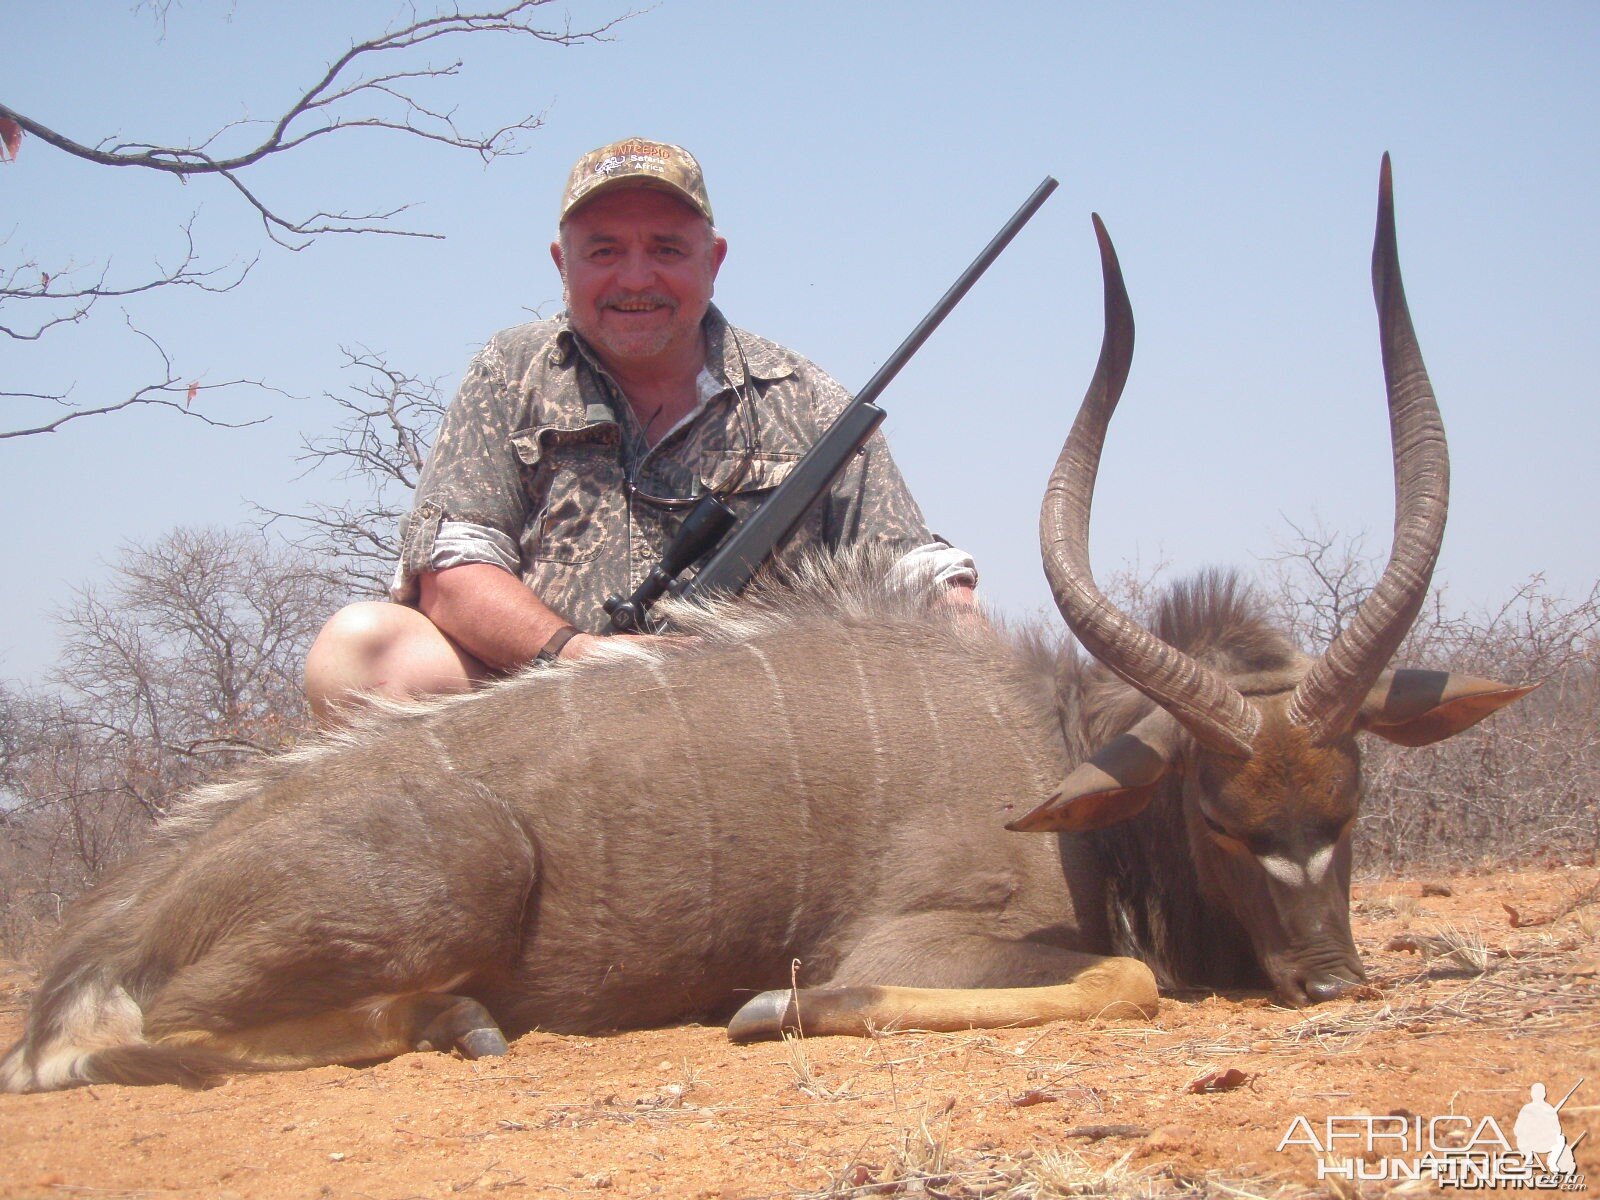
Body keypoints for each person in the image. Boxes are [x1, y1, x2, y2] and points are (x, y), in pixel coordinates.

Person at [305, 137, 976, 724]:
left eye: (665, 249)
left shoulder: (808, 398)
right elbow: (451, 572)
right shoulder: (511, 370)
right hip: (548, 705)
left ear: (712, 261)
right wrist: (581, 655)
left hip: (755, 725)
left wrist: (967, 632)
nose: (634, 278)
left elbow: (916, 576)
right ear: (561, 264)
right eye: (603, 250)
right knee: (363, 651)